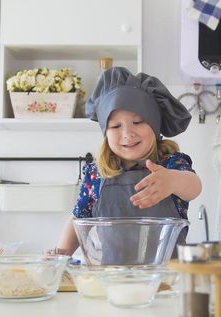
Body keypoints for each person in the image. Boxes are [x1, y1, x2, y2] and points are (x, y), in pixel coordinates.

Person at [50, 67, 202, 259]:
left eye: (138, 122)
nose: (128, 133)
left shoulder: (170, 164)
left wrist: (172, 180)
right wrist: (61, 254)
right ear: (105, 133)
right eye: (115, 126)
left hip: (165, 279)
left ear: (155, 126)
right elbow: (78, 218)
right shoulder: (96, 174)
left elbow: (194, 187)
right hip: (113, 279)